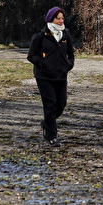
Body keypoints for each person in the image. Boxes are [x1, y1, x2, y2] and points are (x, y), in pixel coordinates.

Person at [27, 7, 75, 145]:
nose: (61, 21)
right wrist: (42, 64)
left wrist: (69, 65)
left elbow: (71, 54)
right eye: (58, 18)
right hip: (44, 77)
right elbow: (31, 56)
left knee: (61, 104)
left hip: (61, 76)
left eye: (62, 18)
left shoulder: (66, 34)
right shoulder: (40, 36)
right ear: (50, 19)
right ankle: (50, 136)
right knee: (50, 105)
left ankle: (47, 123)